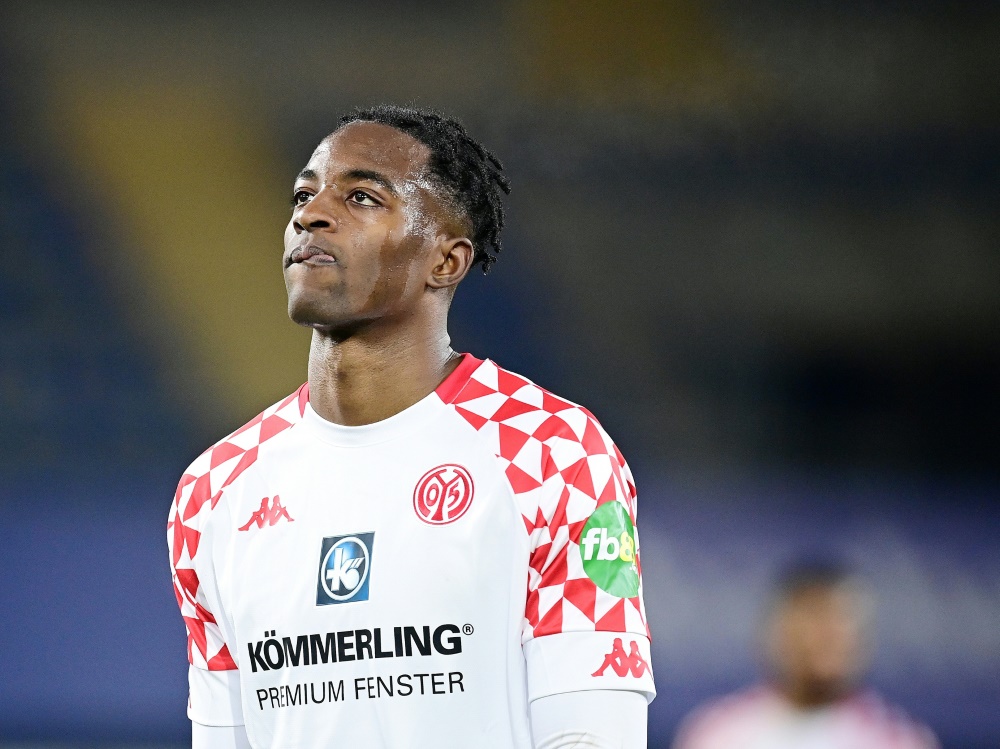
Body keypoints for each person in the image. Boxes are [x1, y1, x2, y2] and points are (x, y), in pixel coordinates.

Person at [167, 105, 654, 749]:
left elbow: (592, 733)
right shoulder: (215, 490)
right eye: (304, 196)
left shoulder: (551, 451)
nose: (311, 215)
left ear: (445, 261)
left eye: (362, 197)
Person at [673, 560, 937, 749]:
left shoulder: (899, 740)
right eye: (814, 619)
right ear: (777, 632)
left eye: (842, 622)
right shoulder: (717, 733)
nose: (828, 636)